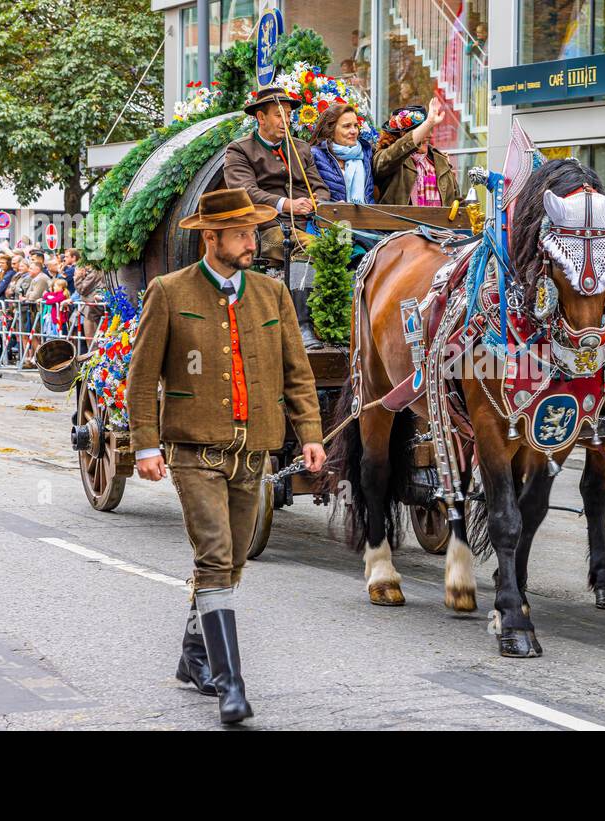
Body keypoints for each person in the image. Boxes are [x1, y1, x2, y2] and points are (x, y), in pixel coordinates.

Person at [126, 188, 325, 725]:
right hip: (194, 451)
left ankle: (194, 658)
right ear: (209, 237)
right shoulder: (168, 292)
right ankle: (230, 685)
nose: (251, 242)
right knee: (214, 558)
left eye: (254, 231)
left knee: (233, 564)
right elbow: (142, 377)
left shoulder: (271, 294)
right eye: (240, 233)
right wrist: (145, 444)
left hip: (255, 450)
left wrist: (310, 432)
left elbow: (296, 371)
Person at [224, 86, 330, 350]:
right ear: (260, 118)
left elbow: (320, 186)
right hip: (265, 234)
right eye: (278, 115)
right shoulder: (239, 151)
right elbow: (244, 192)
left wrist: (317, 201)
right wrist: (288, 204)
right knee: (308, 246)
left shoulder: (301, 148)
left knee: (346, 245)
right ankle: (302, 325)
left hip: (309, 225)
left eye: (288, 114)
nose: (286, 120)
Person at [373, 98, 459, 208]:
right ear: (403, 134)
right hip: (402, 225)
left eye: (430, 129)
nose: (429, 135)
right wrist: (429, 122)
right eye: (424, 130)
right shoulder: (386, 158)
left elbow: (456, 201)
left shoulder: (441, 160)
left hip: (438, 225)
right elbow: (397, 151)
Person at [309, 103, 375, 205]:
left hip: (368, 217)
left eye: (355, 125)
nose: (354, 131)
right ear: (331, 129)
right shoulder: (315, 155)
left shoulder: (366, 152)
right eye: (347, 126)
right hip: (331, 218)